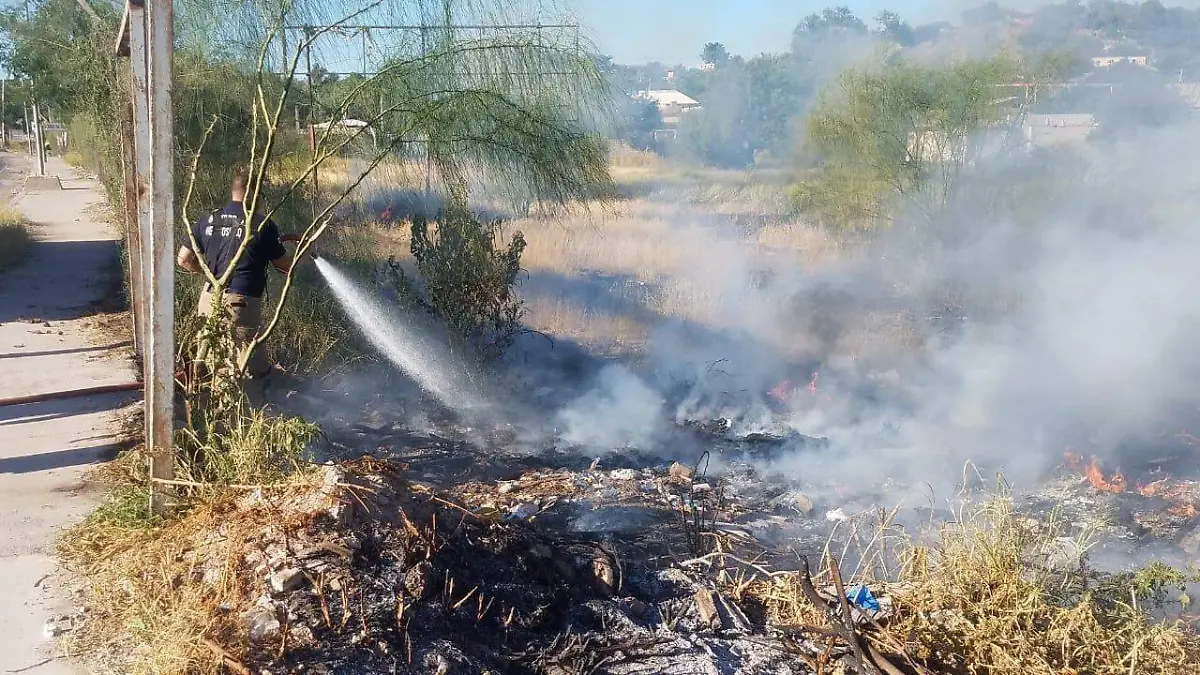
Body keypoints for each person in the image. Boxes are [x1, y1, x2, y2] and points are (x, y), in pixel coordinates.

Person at [176, 167, 295, 398]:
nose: (261, 201)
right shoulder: (261, 225)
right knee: (246, 369)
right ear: (252, 192)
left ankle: (203, 411)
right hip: (240, 307)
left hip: (209, 299)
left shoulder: (208, 219)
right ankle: (241, 421)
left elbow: (183, 259)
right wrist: (305, 253)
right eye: (260, 194)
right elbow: (284, 267)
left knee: (211, 360)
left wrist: (210, 275)